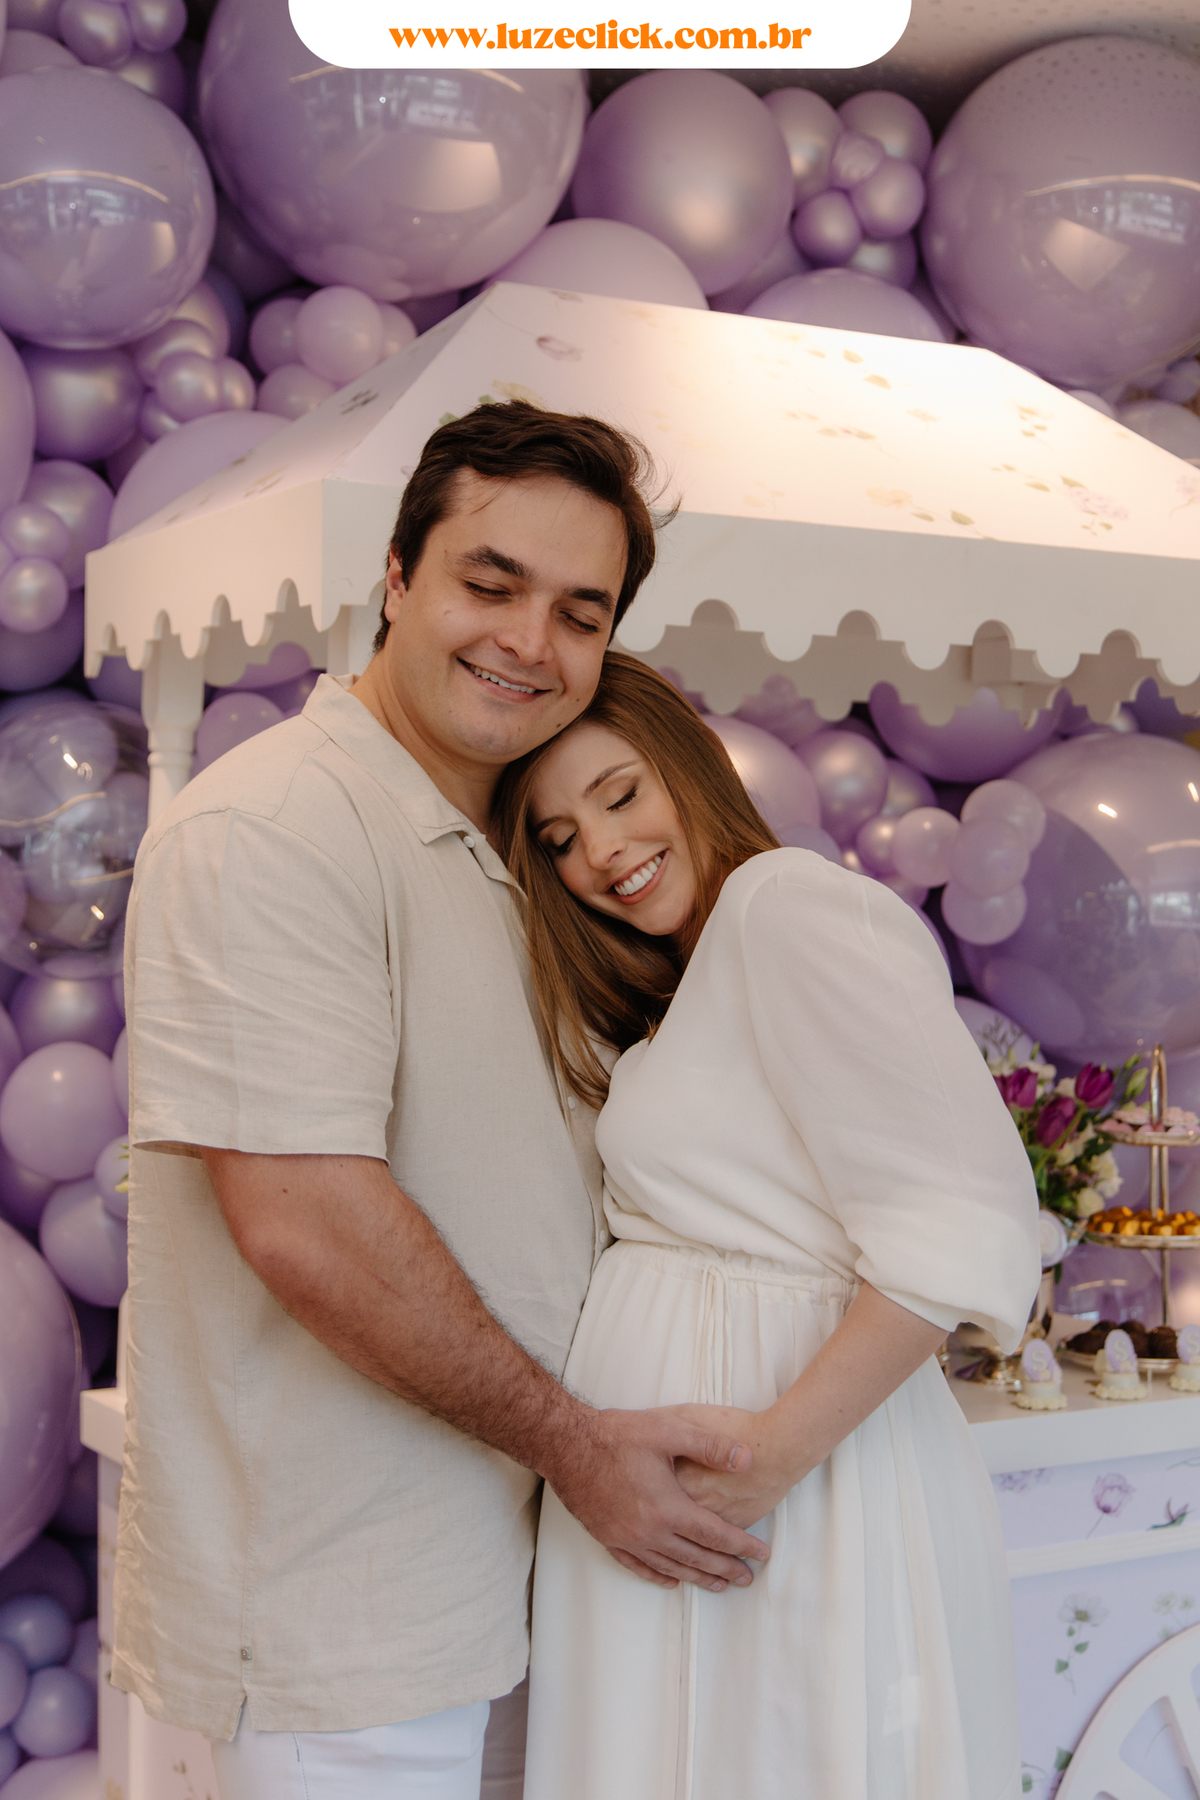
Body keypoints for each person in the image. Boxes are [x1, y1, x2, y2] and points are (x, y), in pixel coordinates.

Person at [113, 403, 770, 1800]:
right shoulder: (275, 827)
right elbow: (306, 1224)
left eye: (581, 613)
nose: (531, 641)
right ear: (399, 578)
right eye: (492, 583)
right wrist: (581, 1450)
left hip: (530, 1579)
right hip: (349, 1617)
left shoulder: (526, 850)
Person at [492, 653, 1042, 1800]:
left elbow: (957, 1216)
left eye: (620, 795)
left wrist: (772, 1456)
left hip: (789, 1477)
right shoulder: (684, 986)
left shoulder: (782, 903)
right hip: (689, 1497)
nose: (602, 852)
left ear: (690, 770)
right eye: (559, 838)